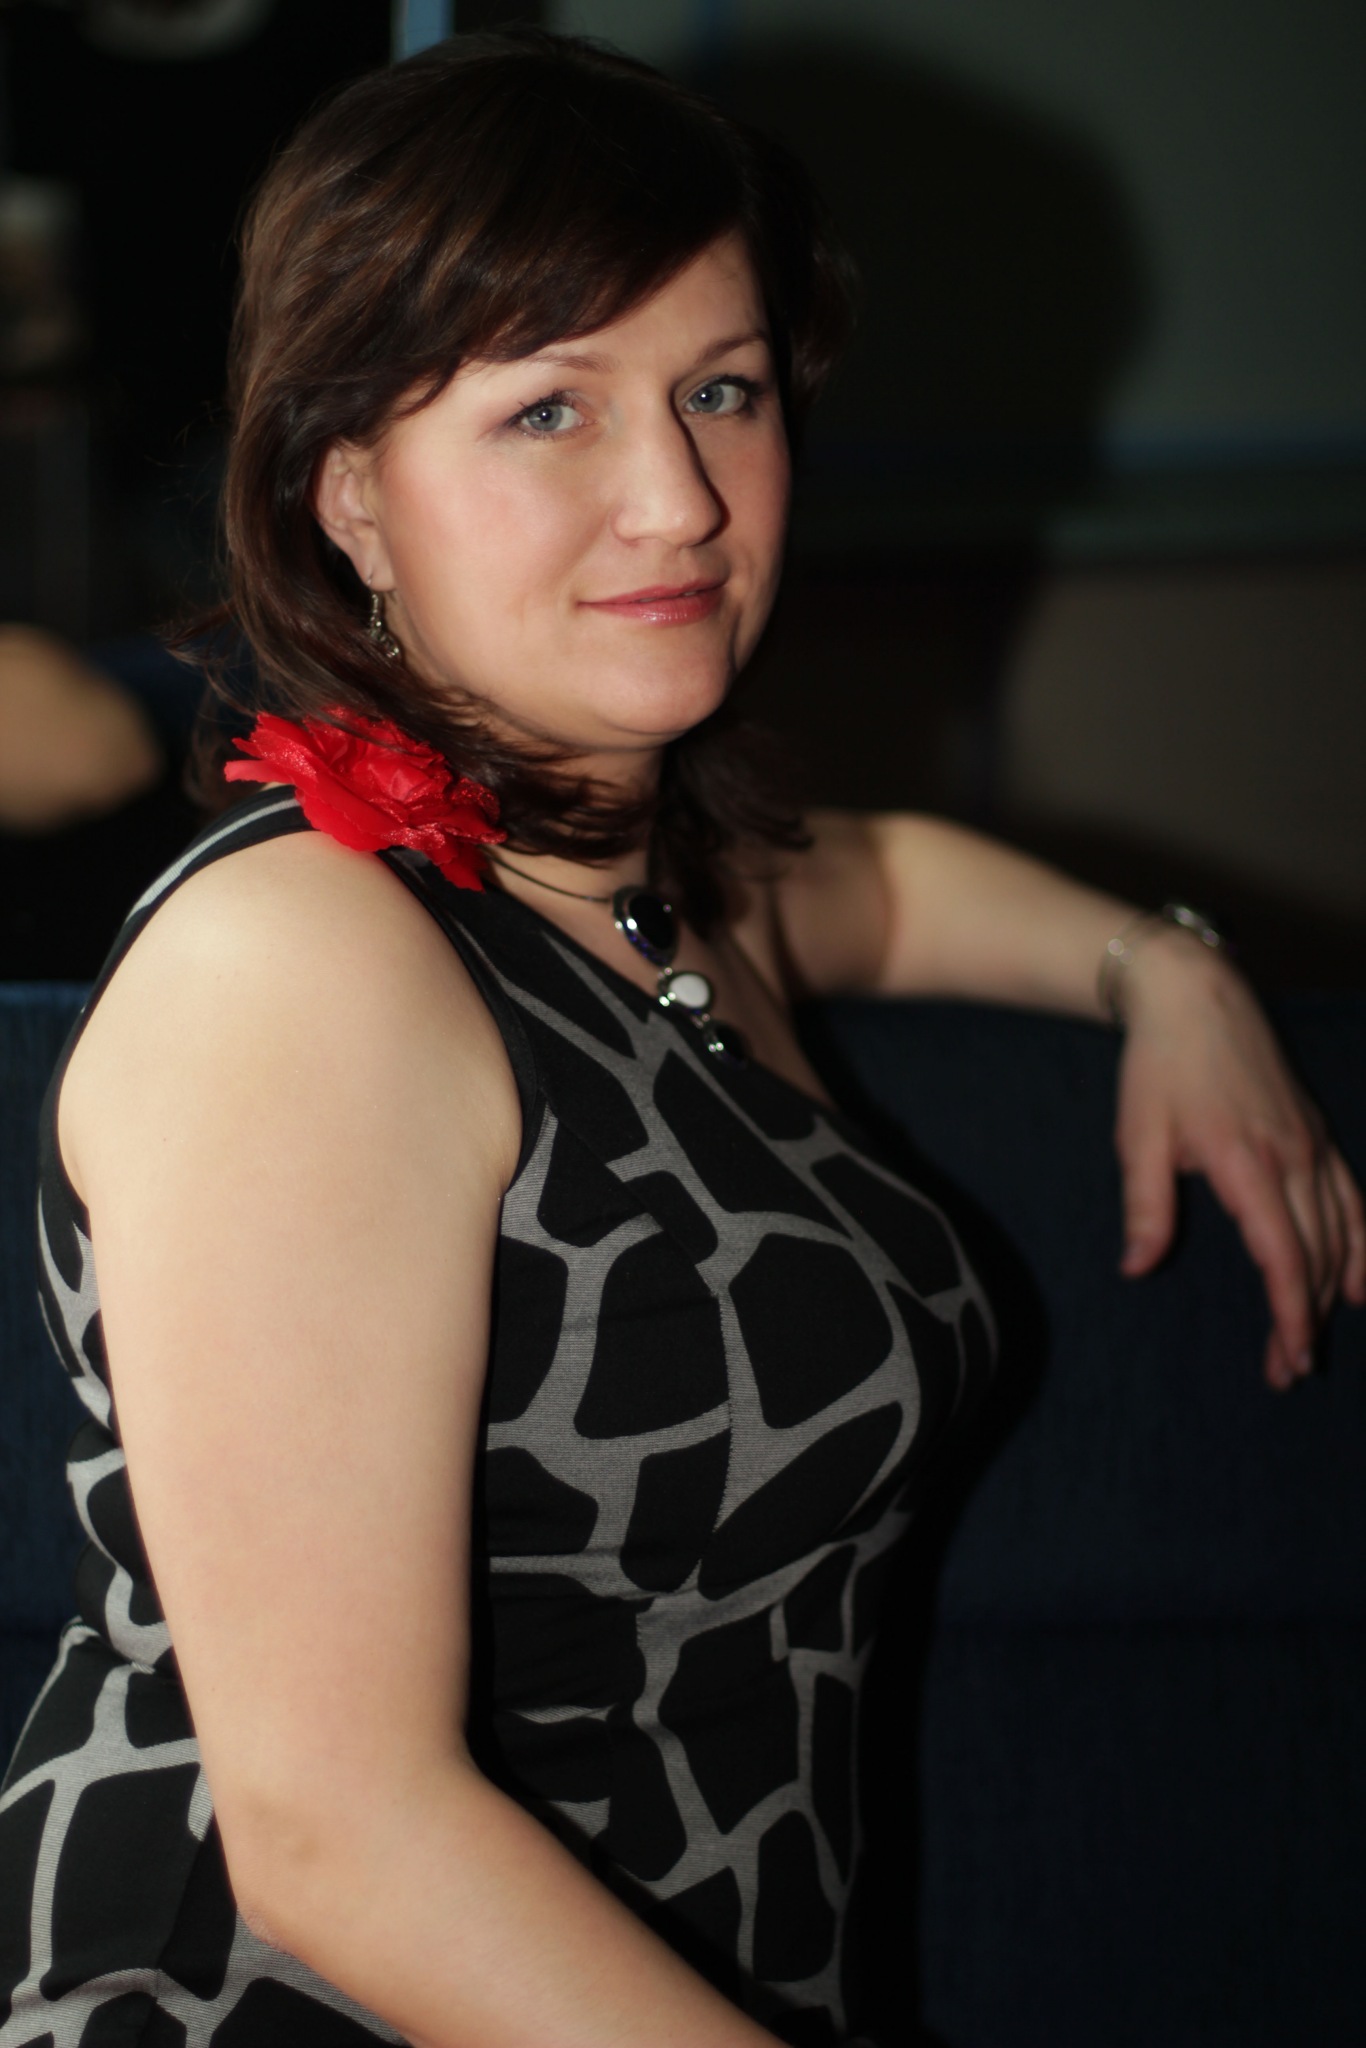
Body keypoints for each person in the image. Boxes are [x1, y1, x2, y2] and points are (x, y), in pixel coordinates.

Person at [1, 31, 1361, 2048]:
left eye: (720, 390)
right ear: (352, 494)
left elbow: (877, 881)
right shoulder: (303, 964)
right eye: (549, 408)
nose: (677, 499)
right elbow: (330, 1831)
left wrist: (1161, 970)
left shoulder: (645, 891)